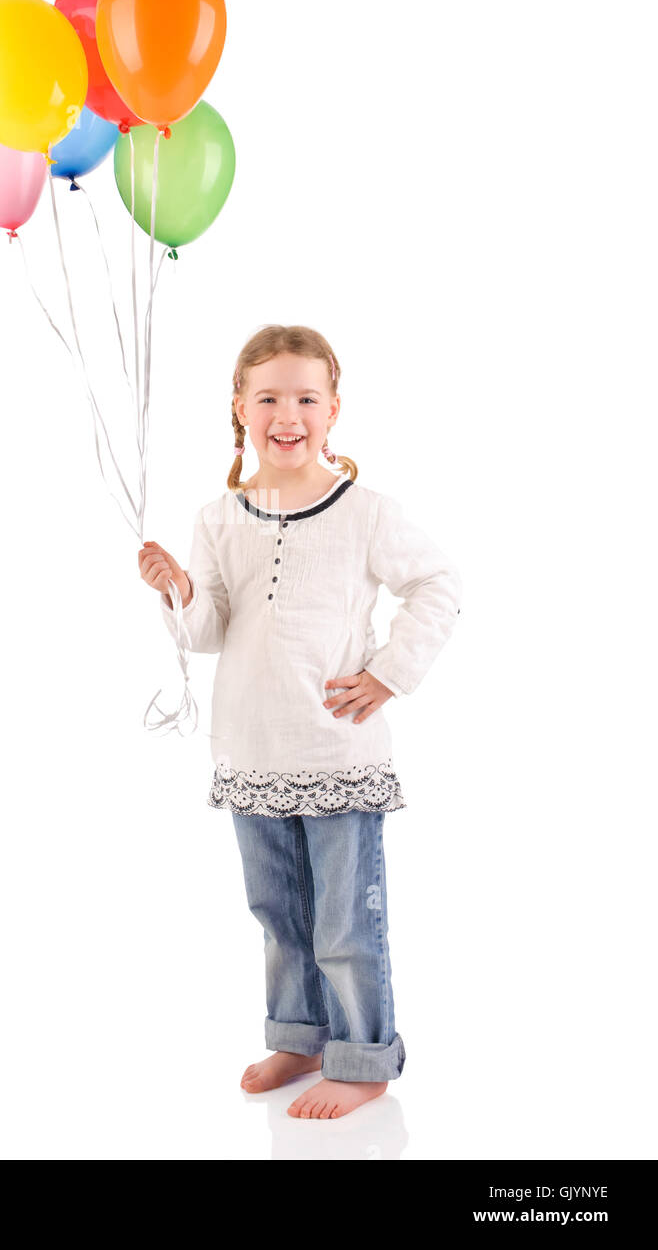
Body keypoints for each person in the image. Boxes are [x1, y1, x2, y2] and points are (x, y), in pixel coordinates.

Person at [138, 326, 462, 1120]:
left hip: (336, 748)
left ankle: (362, 1056)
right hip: (251, 747)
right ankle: (300, 1034)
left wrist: (388, 672)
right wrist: (175, 589)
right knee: (278, 913)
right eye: (270, 398)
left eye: (306, 398)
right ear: (241, 408)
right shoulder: (219, 518)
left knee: (347, 917)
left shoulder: (367, 513)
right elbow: (209, 628)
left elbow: (438, 585)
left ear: (334, 409)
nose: (289, 414)